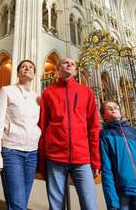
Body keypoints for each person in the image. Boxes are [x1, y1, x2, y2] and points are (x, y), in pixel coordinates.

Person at [38, 57, 100, 210]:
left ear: (75, 70)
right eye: (65, 62)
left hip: (82, 157)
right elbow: (43, 126)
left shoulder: (86, 92)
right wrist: (42, 159)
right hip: (55, 157)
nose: (69, 65)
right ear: (58, 68)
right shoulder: (48, 93)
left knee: (89, 204)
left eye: (72, 63)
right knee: (56, 205)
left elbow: (93, 127)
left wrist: (96, 160)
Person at [0, 60, 41, 210]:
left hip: (32, 153)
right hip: (12, 151)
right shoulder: (7, 91)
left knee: (19, 202)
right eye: (23, 67)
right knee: (18, 203)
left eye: (31, 67)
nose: (27, 68)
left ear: (34, 74)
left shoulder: (37, 97)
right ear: (18, 72)